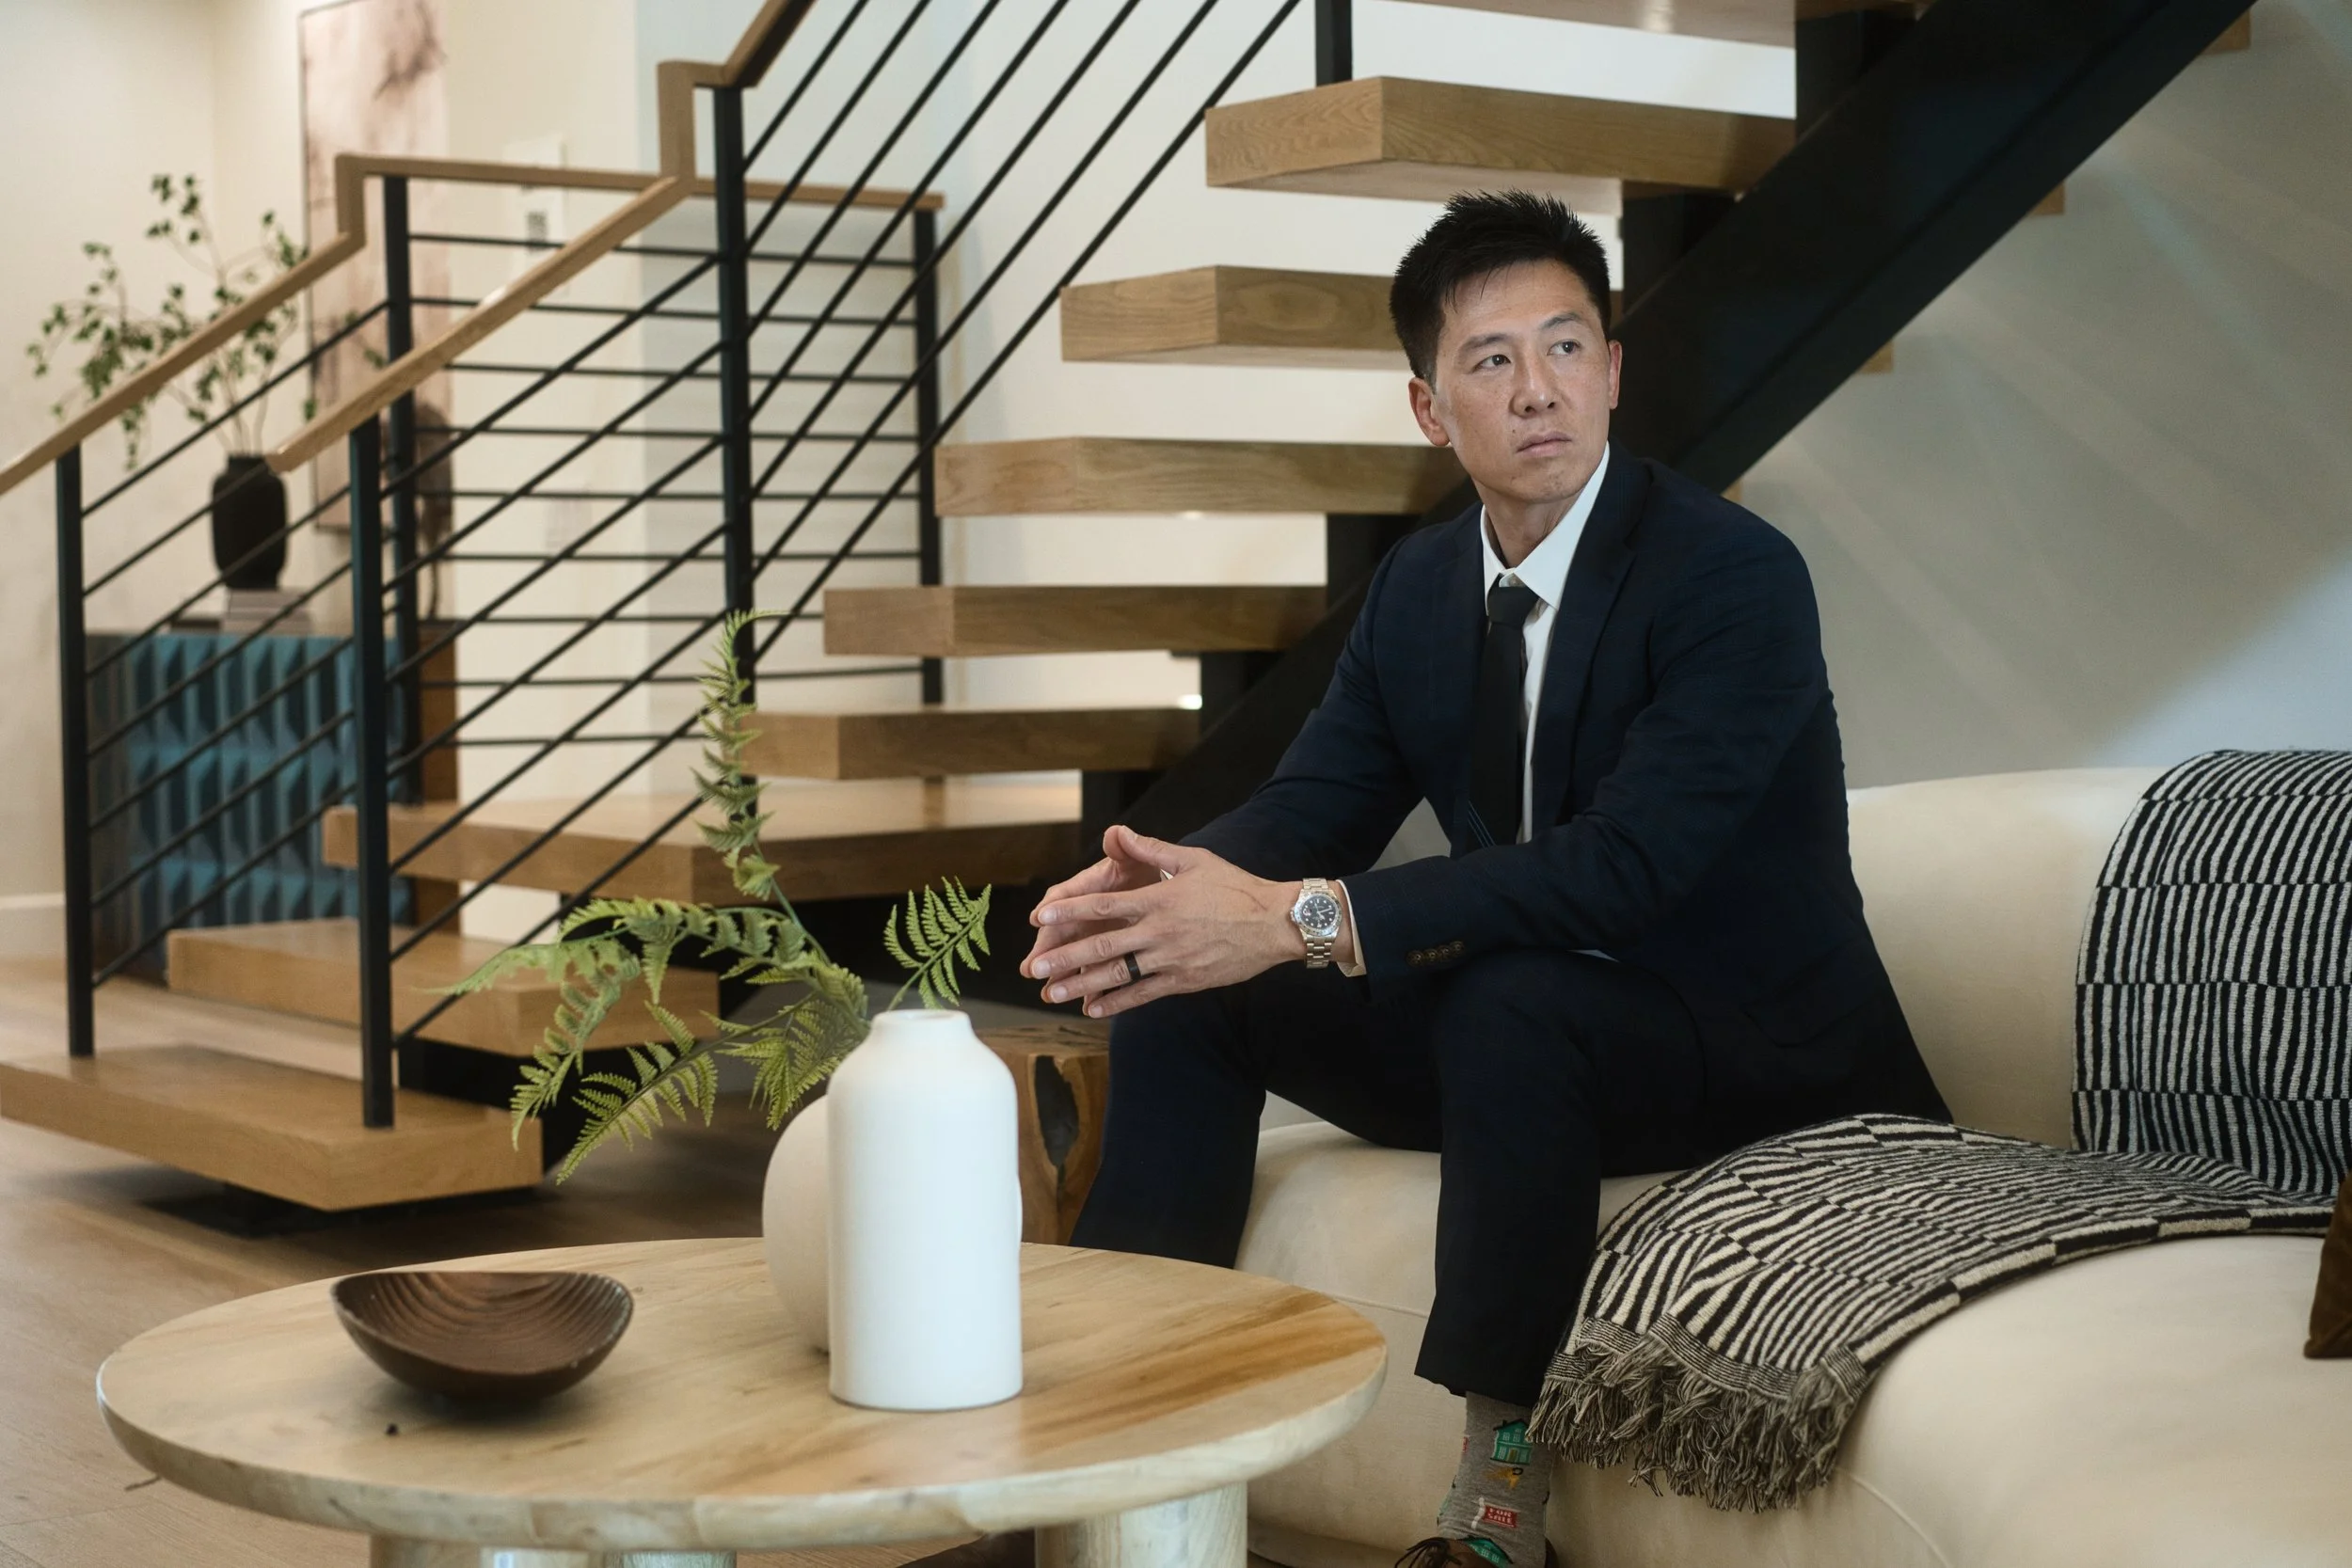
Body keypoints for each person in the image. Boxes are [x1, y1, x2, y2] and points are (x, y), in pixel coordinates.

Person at [1020, 191, 1949, 1568]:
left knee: (1510, 999)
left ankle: (1497, 1494)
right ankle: (1124, 1418)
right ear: (1429, 408)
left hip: (1754, 1046)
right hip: (1526, 1046)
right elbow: (1320, 802)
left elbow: (1624, 869)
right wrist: (1160, 897)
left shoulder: (1732, 575)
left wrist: (1300, 918)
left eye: (1568, 347)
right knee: (1193, 983)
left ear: (1613, 371)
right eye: (1493, 359)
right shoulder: (1418, 590)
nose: (1538, 390)